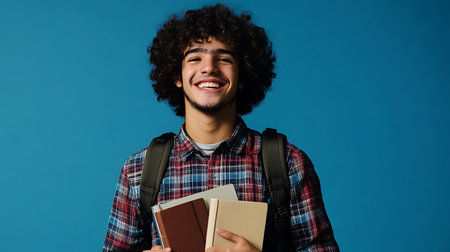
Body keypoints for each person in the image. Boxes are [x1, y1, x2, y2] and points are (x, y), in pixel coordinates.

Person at [103, 4, 339, 252]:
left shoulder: (288, 163)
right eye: (195, 58)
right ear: (177, 75)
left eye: (224, 58)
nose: (209, 68)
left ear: (243, 75)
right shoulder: (138, 171)